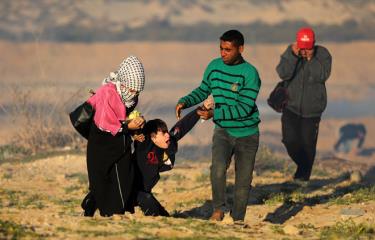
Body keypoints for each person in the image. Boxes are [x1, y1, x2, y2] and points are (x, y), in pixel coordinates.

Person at [175, 30, 261, 223]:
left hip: (248, 133)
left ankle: (237, 219)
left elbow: (244, 108)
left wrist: (214, 113)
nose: (223, 53)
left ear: (240, 49)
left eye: (228, 50)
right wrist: (185, 101)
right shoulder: (214, 67)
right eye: (221, 48)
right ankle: (218, 210)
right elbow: (203, 89)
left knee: (243, 181)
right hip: (223, 130)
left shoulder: (250, 74)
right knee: (218, 169)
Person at [81, 56, 146, 217]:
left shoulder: (128, 96)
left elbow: (124, 116)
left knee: (125, 177)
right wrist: (127, 126)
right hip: (102, 145)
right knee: (101, 180)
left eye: (137, 92)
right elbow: (105, 123)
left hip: (120, 143)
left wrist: (136, 127)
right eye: (132, 90)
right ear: (124, 83)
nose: (134, 94)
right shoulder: (108, 93)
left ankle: (115, 211)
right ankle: (101, 209)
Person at [131, 102, 210, 217]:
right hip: (131, 191)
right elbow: (133, 128)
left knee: (165, 217)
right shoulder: (144, 143)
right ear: (152, 136)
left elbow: (182, 126)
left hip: (145, 192)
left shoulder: (169, 142)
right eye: (163, 133)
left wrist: (199, 111)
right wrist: (137, 123)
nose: (167, 135)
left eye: (167, 131)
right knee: (151, 208)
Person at [276, 27, 332, 182]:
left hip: (312, 110)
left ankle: (303, 176)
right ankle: (303, 167)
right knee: (289, 140)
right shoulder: (291, 52)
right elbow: (283, 73)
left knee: (308, 144)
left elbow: (321, 76)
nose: (305, 51)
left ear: (314, 44)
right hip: (290, 106)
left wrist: (310, 59)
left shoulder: (323, 54)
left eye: (308, 48)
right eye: (303, 48)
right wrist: (293, 56)